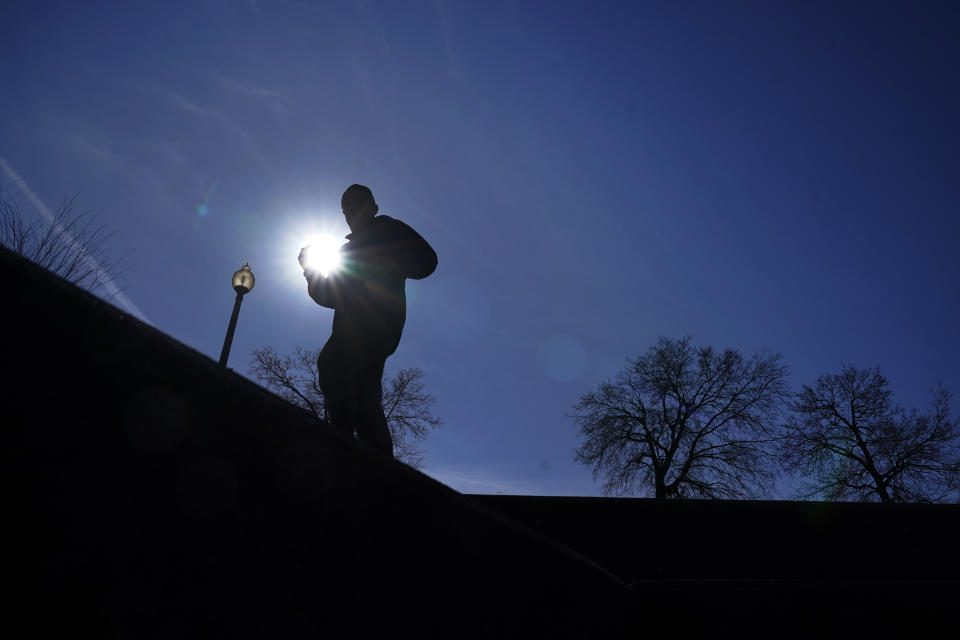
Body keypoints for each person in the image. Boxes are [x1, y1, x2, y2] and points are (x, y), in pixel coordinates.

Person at [299, 184, 437, 457]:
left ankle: (341, 439)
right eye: (345, 209)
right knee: (365, 394)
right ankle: (377, 457)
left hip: (378, 323)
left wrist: (392, 261)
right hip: (354, 326)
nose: (350, 212)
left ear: (373, 207)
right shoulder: (345, 252)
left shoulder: (388, 229)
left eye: (356, 205)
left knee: (332, 361)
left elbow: (427, 260)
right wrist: (310, 271)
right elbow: (330, 296)